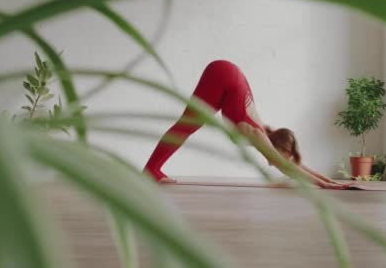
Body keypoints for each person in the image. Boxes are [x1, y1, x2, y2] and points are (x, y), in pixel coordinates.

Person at [143, 60, 350, 189]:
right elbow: (285, 166)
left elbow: (293, 164)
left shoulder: (265, 134)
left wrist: (332, 182)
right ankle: (151, 170)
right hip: (224, 76)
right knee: (186, 125)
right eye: (282, 155)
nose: (277, 160)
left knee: (186, 126)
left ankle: (153, 169)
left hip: (228, 79)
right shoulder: (256, 135)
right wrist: (323, 185)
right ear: (280, 148)